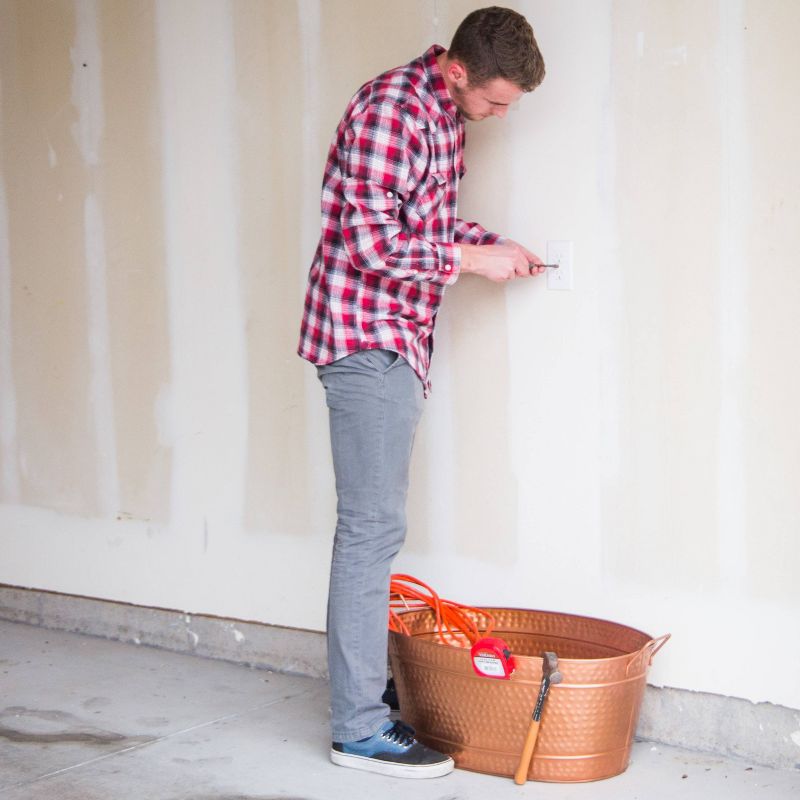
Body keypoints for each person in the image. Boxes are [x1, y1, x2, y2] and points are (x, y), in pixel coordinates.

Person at [298, 6, 546, 780]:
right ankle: (359, 728)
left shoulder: (439, 114)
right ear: (458, 69)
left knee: (374, 528)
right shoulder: (392, 109)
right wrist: (471, 264)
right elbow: (368, 242)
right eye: (497, 101)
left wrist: (492, 246)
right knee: (370, 530)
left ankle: (365, 705)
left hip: (397, 340)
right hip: (366, 339)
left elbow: (417, 224)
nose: (500, 116)